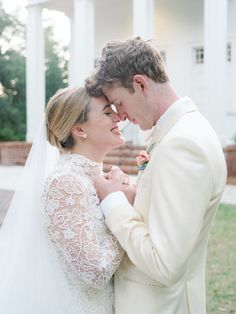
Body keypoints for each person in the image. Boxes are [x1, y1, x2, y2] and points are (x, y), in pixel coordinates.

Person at [85, 37, 227, 314]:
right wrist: (134, 193)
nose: (121, 116)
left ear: (140, 84)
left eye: (119, 102)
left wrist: (114, 202)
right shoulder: (179, 132)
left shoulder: (182, 145)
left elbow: (165, 263)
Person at [0, 86, 134, 314]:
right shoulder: (64, 183)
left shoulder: (95, 177)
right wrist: (121, 205)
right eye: (106, 112)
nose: (119, 116)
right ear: (80, 129)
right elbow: (96, 272)